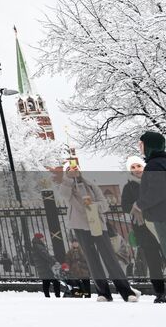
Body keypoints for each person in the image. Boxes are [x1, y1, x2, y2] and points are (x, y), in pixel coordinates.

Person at [59, 165, 136, 301]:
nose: (74, 171)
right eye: (70, 170)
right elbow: (64, 194)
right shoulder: (67, 185)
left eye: (75, 169)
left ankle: (126, 291)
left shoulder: (91, 185)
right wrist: (68, 178)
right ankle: (103, 293)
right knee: (92, 260)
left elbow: (104, 204)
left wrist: (94, 206)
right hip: (80, 226)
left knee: (110, 258)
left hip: (97, 224)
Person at [132, 129, 166, 302]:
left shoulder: (154, 165)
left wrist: (139, 204)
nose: (140, 147)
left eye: (142, 144)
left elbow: (158, 191)